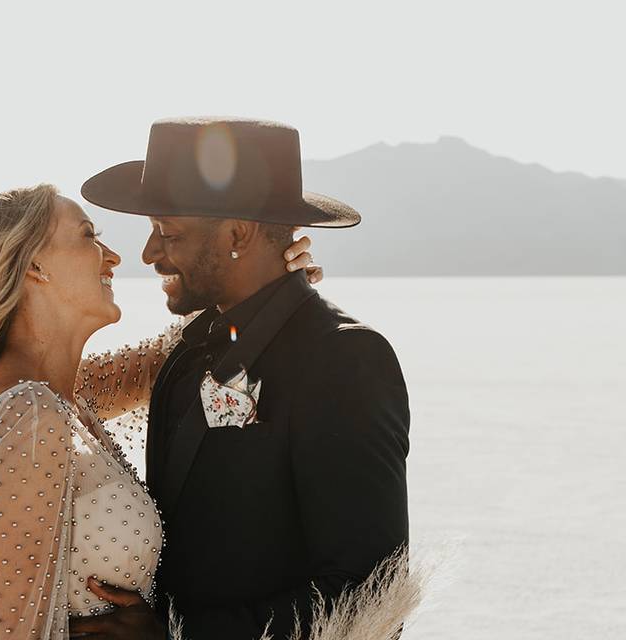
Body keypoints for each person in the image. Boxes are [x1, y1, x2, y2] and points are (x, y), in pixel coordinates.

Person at [0, 184, 320, 639]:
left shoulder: (61, 395)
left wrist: (266, 279)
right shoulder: (26, 416)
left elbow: (172, 352)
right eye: (89, 236)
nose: (113, 257)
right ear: (33, 265)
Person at [71, 117, 412, 640]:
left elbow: (370, 590)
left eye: (168, 233)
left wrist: (175, 636)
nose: (148, 254)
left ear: (238, 233)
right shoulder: (185, 352)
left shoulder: (344, 358)